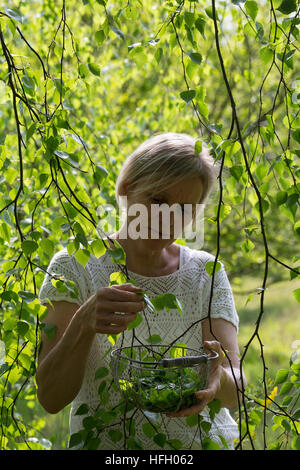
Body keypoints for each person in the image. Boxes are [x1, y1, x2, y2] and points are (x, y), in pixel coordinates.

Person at [36, 132, 246, 450]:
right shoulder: (73, 266)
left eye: (184, 209)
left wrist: (218, 381)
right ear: (126, 188)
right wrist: (84, 322)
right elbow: (50, 397)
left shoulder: (206, 272)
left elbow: (237, 390)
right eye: (157, 200)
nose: (166, 219)